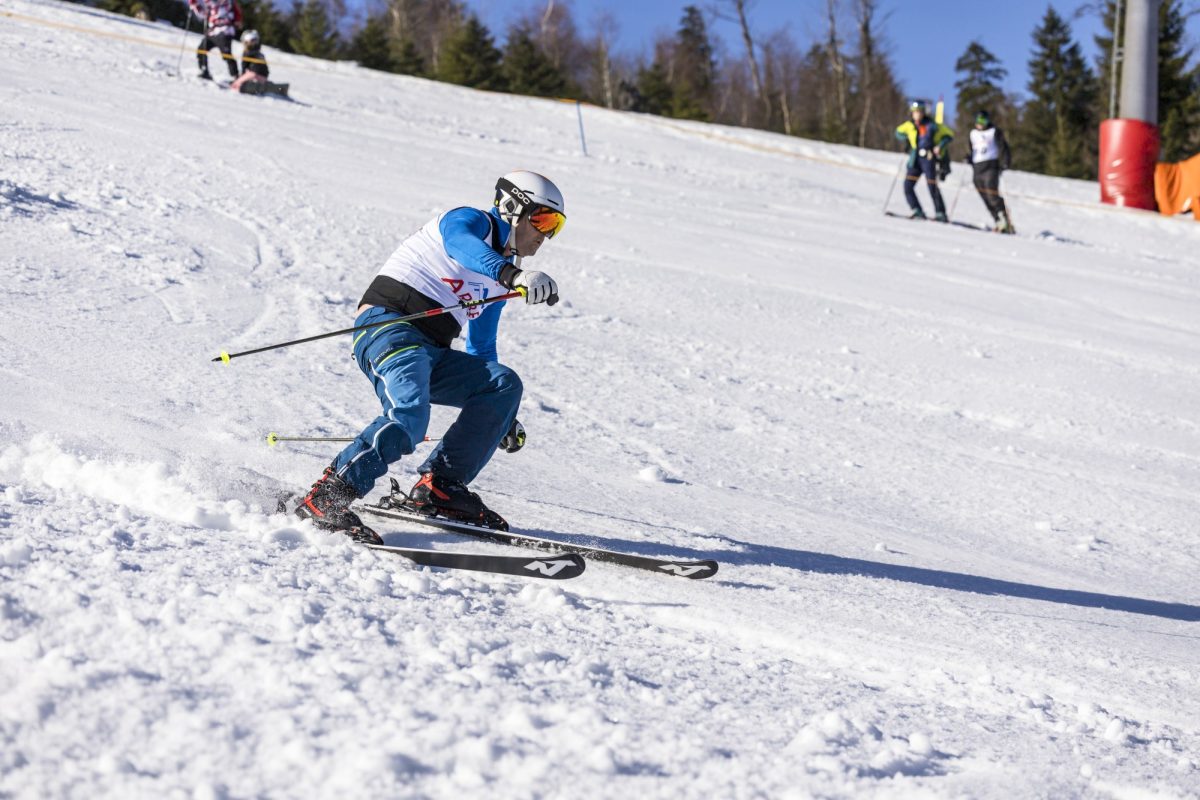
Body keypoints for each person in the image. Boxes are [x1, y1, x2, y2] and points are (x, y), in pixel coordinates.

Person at [293, 171, 567, 544]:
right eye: (543, 219)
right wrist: (511, 275)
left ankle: (440, 488)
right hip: (391, 327)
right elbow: (459, 245)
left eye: (556, 226)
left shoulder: (500, 276)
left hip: (433, 351)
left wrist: (499, 417)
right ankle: (327, 498)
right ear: (512, 207)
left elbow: (482, 347)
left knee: (502, 385)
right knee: (409, 417)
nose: (545, 234)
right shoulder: (471, 222)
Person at [894, 100, 954, 222]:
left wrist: (940, 146)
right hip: (915, 159)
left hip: (928, 158)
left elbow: (949, 135)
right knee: (908, 185)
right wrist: (906, 138)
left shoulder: (932, 125)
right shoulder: (909, 125)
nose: (917, 114)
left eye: (919, 112)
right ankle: (917, 210)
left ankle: (940, 212)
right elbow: (898, 132)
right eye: (915, 112)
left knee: (932, 185)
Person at [965, 110, 1014, 234]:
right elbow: (973, 149)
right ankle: (998, 221)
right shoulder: (973, 134)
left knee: (992, 195)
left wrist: (1005, 162)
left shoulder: (993, 131)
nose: (980, 123)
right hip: (977, 168)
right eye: (978, 120)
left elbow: (1003, 147)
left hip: (990, 166)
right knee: (984, 197)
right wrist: (969, 158)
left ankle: (1005, 221)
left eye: (983, 120)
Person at [190, 0, 242, 81]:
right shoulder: (210, 4)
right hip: (213, 32)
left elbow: (224, 7)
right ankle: (204, 70)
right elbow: (203, 14)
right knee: (202, 49)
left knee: (226, 54)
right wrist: (195, 4)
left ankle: (236, 76)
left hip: (224, 31)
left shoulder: (227, 2)